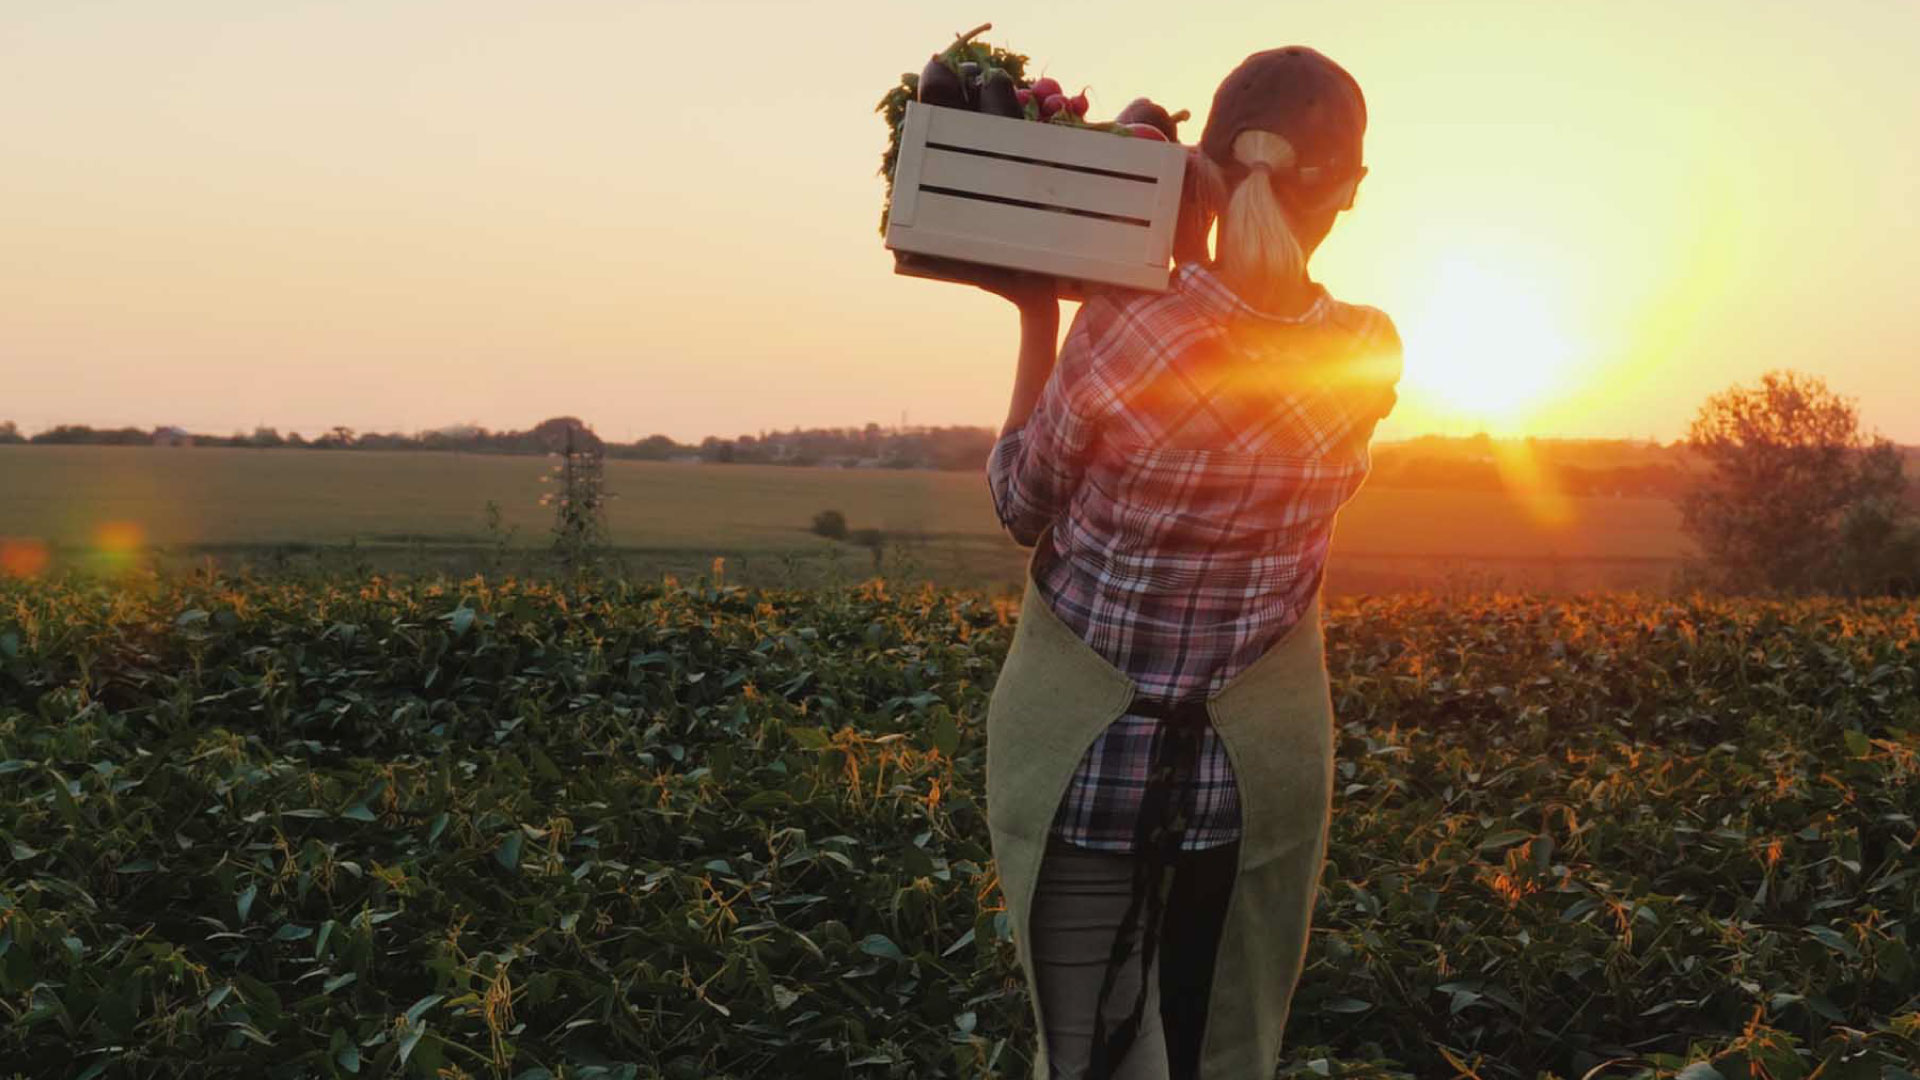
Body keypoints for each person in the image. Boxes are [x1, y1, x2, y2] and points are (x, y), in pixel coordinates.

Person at [972, 47, 1403, 1080]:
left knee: (1088, 1061)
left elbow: (1018, 501)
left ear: (1201, 169)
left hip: (1087, 778)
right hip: (1244, 792)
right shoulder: (1370, 353)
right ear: (1346, 192)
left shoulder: (1127, 331)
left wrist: (1042, 310)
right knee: (1221, 1055)